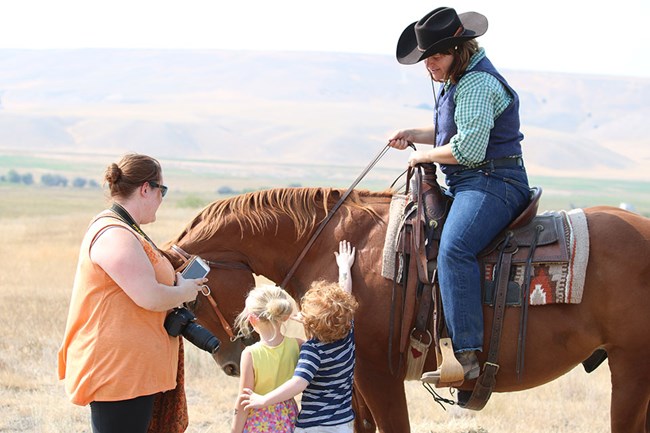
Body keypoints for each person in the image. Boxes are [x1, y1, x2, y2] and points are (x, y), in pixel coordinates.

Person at [388, 7, 531, 384]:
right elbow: (452, 126)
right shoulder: (460, 79)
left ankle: (466, 355)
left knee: (454, 249)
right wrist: (413, 133)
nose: (429, 65)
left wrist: (423, 155)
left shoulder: (477, 83)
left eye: (436, 56)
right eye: (426, 58)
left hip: (493, 183)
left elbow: (467, 149)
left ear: (458, 49)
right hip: (473, 183)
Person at [57, 153, 208, 433]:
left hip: (130, 373)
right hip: (117, 373)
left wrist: (173, 282)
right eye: (162, 190)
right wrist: (184, 290)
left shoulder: (126, 229)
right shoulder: (115, 234)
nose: (162, 198)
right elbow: (149, 297)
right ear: (145, 189)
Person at [240, 240, 359, 433]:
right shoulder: (347, 333)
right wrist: (345, 267)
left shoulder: (312, 351)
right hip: (343, 423)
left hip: (315, 426)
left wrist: (263, 400)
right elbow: (344, 297)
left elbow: (298, 384)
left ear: (312, 323)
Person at [230, 285, 302, 433]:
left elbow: (244, 400)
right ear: (284, 316)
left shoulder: (250, 354)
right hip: (289, 417)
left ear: (251, 319)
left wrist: (234, 431)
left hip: (259, 420)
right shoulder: (298, 345)